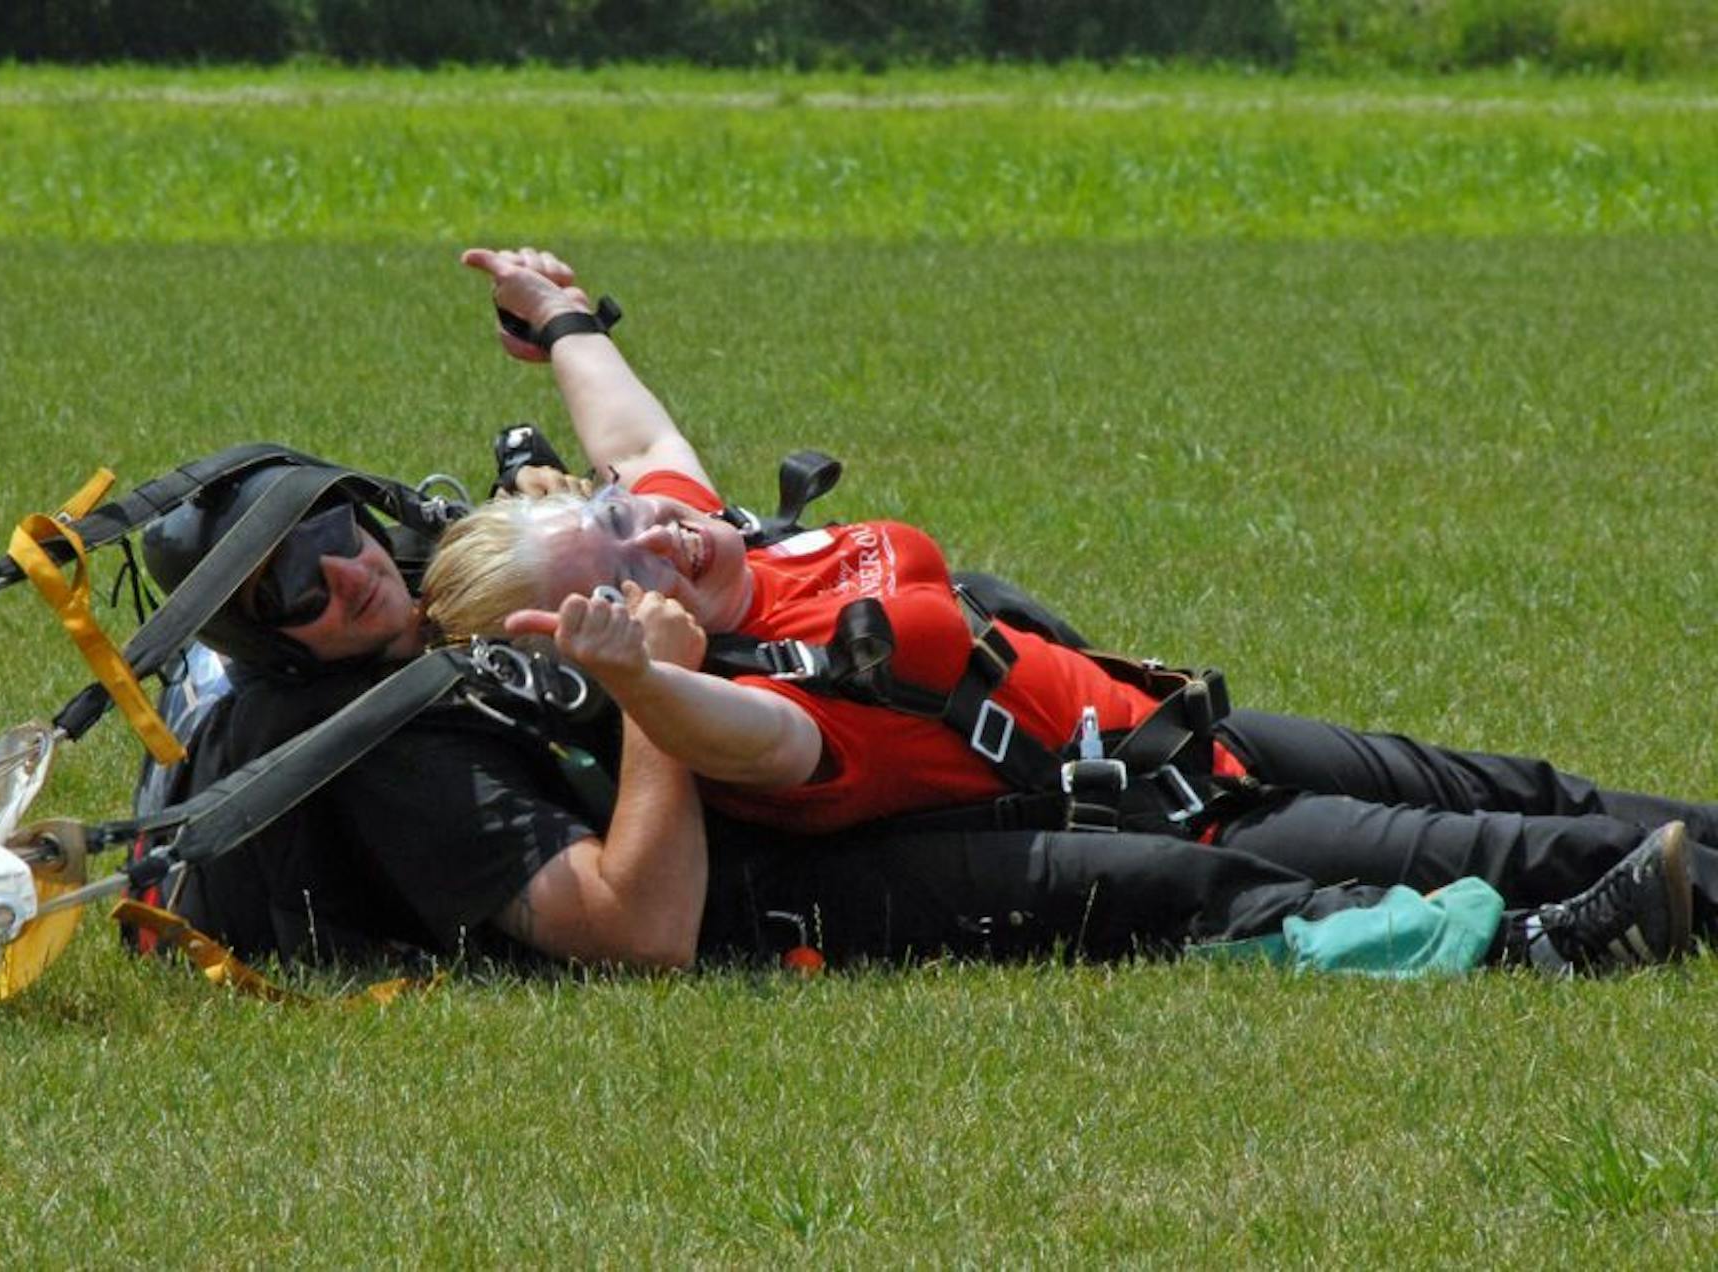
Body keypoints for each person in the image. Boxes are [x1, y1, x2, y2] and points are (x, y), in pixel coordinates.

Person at [414, 245, 1718, 972]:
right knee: (1509, 854)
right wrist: (642, 681)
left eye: (626, 516)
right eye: (620, 572)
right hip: (1164, 806)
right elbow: (744, 743)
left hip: (1190, 730)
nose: (655, 534)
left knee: (1525, 785)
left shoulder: (719, 540)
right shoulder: (749, 696)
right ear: (616, 633)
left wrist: (563, 317)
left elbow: (636, 433)